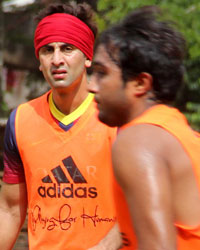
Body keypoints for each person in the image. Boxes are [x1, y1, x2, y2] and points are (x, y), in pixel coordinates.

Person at [0, 2, 136, 250]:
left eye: (67, 48)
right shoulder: (19, 120)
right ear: (39, 61)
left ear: (87, 57)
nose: (57, 60)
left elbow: (142, 201)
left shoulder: (119, 118)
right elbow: (10, 209)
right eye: (47, 50)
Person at [88, 5, 200, 250]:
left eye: (101, 74)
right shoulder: (182, 134)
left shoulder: (137, 140)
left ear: (140, 83)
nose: (91, 86)